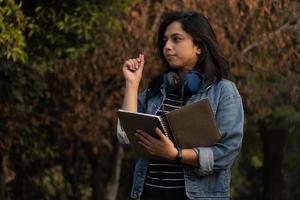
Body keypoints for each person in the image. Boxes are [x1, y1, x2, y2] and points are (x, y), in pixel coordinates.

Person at [117, 11, 244, 200]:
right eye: (165, 40)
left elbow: (227, 152)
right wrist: (132, 85)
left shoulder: (223, 91)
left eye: (176, 39)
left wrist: (176, 154)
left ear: (199, 47)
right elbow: (125, 137)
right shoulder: (156, 91)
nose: (167, 47)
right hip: (147, 193)